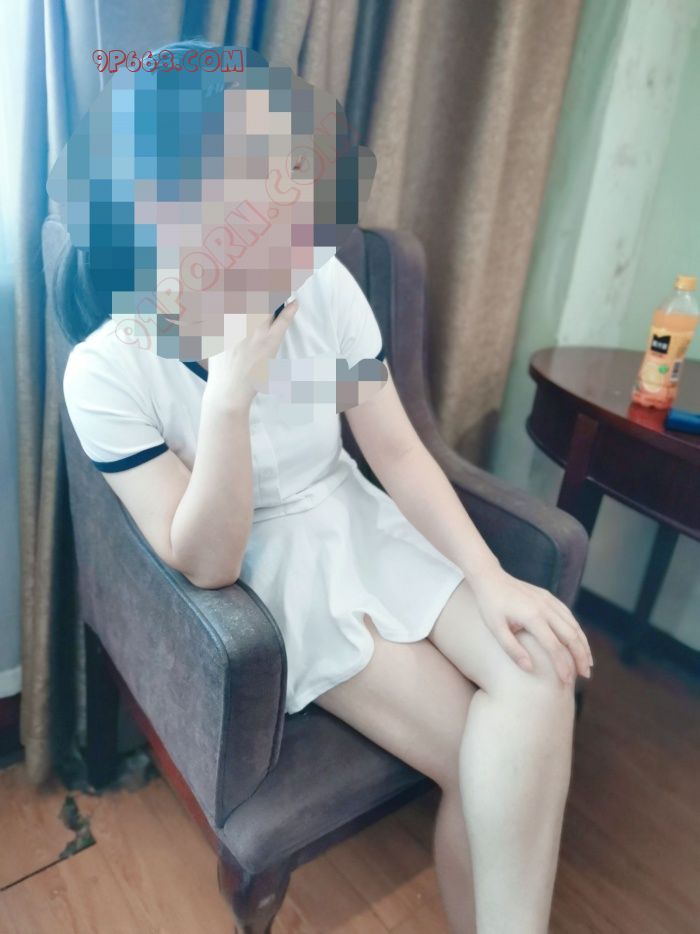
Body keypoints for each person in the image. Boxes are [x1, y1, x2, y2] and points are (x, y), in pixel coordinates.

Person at [50, 40, 593, 934]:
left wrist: (493, 579)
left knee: (539, 676)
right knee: (481, 754)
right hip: (274, 562)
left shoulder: (323, 284)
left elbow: (399, 453)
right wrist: (228, 399)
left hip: (355, 513)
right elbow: (207, 563)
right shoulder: (108, 369)